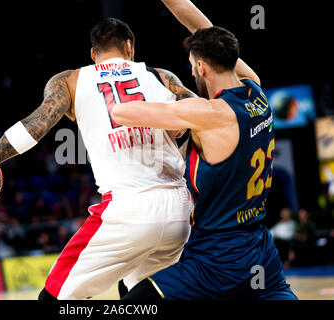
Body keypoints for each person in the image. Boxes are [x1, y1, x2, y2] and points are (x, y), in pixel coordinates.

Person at [0, 17, 197, 300]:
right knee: (135, 290)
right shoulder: (162, 77)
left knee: (52, 299)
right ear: (129, 48)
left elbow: (35, 127)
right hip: (179, 212)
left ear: (92, 53)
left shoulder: (71, 80)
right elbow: (200, 122)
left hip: (128, 210)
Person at [113, 0, 297, 299]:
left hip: (216, 257)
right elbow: (205, 30)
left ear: (200, 66)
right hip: (260, 249)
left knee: (134, 298)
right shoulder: (257, 92)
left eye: (191, 66)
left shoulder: (207, 113)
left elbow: (121, 112)